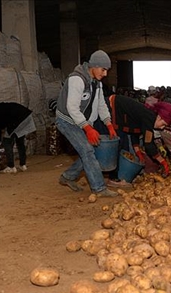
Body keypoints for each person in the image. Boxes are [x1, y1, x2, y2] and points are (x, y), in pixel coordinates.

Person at [54, 50, 118, 197]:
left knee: (89, 151)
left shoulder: (97, 83)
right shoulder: (77, 79)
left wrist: (108, 124)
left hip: (81, 122)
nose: (105, 74)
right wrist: (88, 128)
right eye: (103, 69)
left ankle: (67, 177)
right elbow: (72, 108)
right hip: (67, 121)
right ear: (94, 66)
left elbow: (101, 104)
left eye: (107, 70)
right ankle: (99, 188)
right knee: (88, 151)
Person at [106, 94, 171, 181]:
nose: (162, 128)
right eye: (163, 124)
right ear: (159, 117)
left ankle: (118, 175)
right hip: (112, 107)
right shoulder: (150, 118)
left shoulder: (149, 117)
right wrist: (162, 161)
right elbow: (148, 144)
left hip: (117, 108)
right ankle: (114, 177)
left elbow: (134, 132)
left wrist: (138, 151)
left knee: (124, 145)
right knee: (120, 145)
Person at [0, 101, 34, 174]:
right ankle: (23, 165)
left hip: (17, 120)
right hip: (26, 116)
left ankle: (11, 167)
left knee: (7, 142)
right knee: (20, 141)